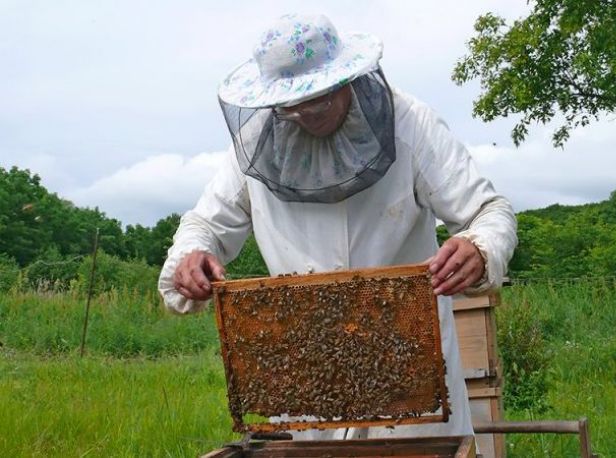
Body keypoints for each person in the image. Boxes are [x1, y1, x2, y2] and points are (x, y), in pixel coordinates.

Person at [158, 13, 517, 440]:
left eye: (317, 102)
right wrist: (192, 255)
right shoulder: (256, 141)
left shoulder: (410, 122)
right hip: (309, 368)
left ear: (346, 78)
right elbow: (205, 224)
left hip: (408, 363)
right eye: (290, 107)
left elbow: (488, 211)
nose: (305, 115)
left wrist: (480, 246)